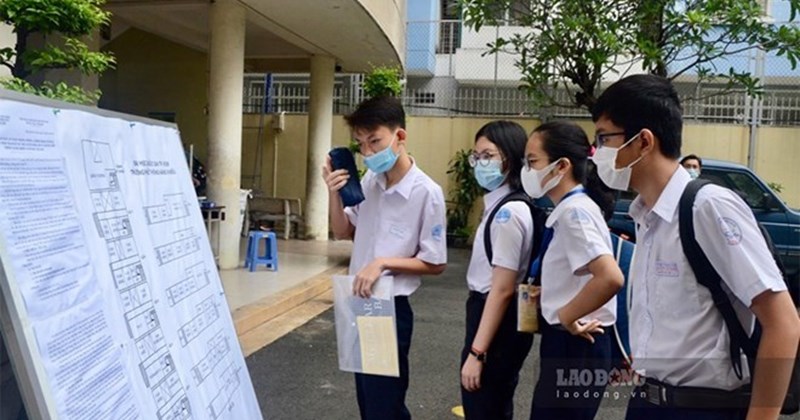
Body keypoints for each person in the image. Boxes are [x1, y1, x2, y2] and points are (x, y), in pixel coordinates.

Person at [591, 74, 800, 420]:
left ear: (643, 142)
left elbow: (784, 322)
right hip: (647, 401)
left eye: (604, 138)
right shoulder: (648, 216)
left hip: (704, 407)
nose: (596, 152)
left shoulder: (707, 207)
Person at [322, 95, 448, 420]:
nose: (367, 152)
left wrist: (382, 263)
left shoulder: (426, 192)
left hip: (389, 306)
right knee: (368, 399)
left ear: (399, 136)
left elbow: (435, 262)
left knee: (384, 405)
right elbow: (341, 231)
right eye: (361, 144)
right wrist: (333, 192)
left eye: (374, 141)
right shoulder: (370, 182)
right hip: (360, 301)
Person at [521, 121, 624, 419]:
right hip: (571, 343)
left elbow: (610, 276)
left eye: (533, 162)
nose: (528, 171)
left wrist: (567, 315)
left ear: (561, 166)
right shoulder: (569, 209)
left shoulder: (575, 213)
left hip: (577, 344)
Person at [460, 121, 535, 419]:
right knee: (494, 404)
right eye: (476, 156)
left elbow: (502, 289)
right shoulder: (501, 205)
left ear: (512, 158)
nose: (481, 163)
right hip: (498, 318)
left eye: (489, 155)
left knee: (484, 405)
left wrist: (477, 354)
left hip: (496, 320)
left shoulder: (508, 213)